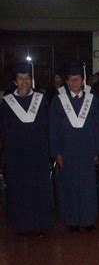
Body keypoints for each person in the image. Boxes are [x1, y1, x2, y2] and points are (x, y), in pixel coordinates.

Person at [49, 61, 99, 232]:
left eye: (77, 79)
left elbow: (98, 126)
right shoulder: (58, 101)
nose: (74, 82)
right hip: (67, 151)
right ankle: (72, 220)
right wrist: (56, 152)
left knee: (88, 187)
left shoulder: (92, 100)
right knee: (69, 186)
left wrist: (98, 150)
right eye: (71, 80)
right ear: (67, 82)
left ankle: (88, 220)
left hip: (87, 151)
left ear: (83, 80)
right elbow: (53, 128)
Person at [0, 62, 52, 236]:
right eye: (20, 79)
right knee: (20, 189)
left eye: (27, 78)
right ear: (15, 82)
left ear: (32, 80)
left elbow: (48, 127)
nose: (24, 82)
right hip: (17, 155)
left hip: (38, 154)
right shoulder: (7, 103)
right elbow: (4, 130)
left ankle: (40, 224)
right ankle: (22, 225)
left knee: (39, 189)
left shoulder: (41, 99)